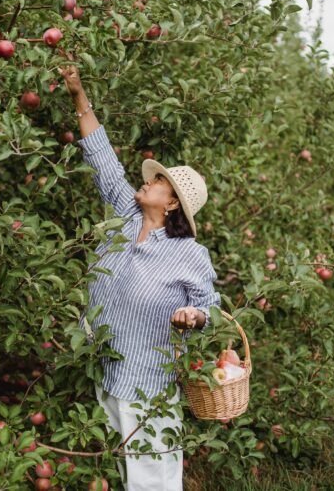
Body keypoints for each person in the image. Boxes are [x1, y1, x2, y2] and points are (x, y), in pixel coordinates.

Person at [60, 63, 221, 491]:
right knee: (112, 467)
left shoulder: (190, 253)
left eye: (160, 182)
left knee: (153, 479)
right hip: (101, 365)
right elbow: (101, 155)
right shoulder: (125, 215)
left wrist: (194, 316)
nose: (148, 181)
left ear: (171, 204)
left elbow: (212, 309)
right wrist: (78, 93)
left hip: (147, 380)